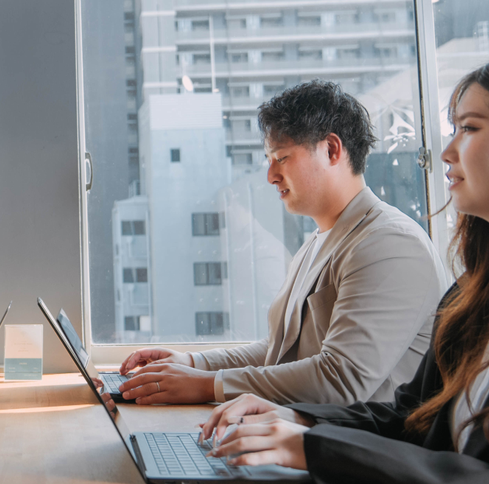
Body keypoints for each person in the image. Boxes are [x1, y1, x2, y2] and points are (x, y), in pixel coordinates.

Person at [197, 47, 489, 484]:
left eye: (469, 128)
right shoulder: (482, 286)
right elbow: (413, 417)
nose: (447, 151)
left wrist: (317, 448)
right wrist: (298, 421)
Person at [116, 80, 447, 406]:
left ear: (332, 150)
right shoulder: (318, 242)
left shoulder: (390, 244)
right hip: (306, 436)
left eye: (282, 157)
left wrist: (207, 386)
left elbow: (341, 379)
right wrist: (193, 365)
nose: (271, 175)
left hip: (363, 450)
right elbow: (280, 351)